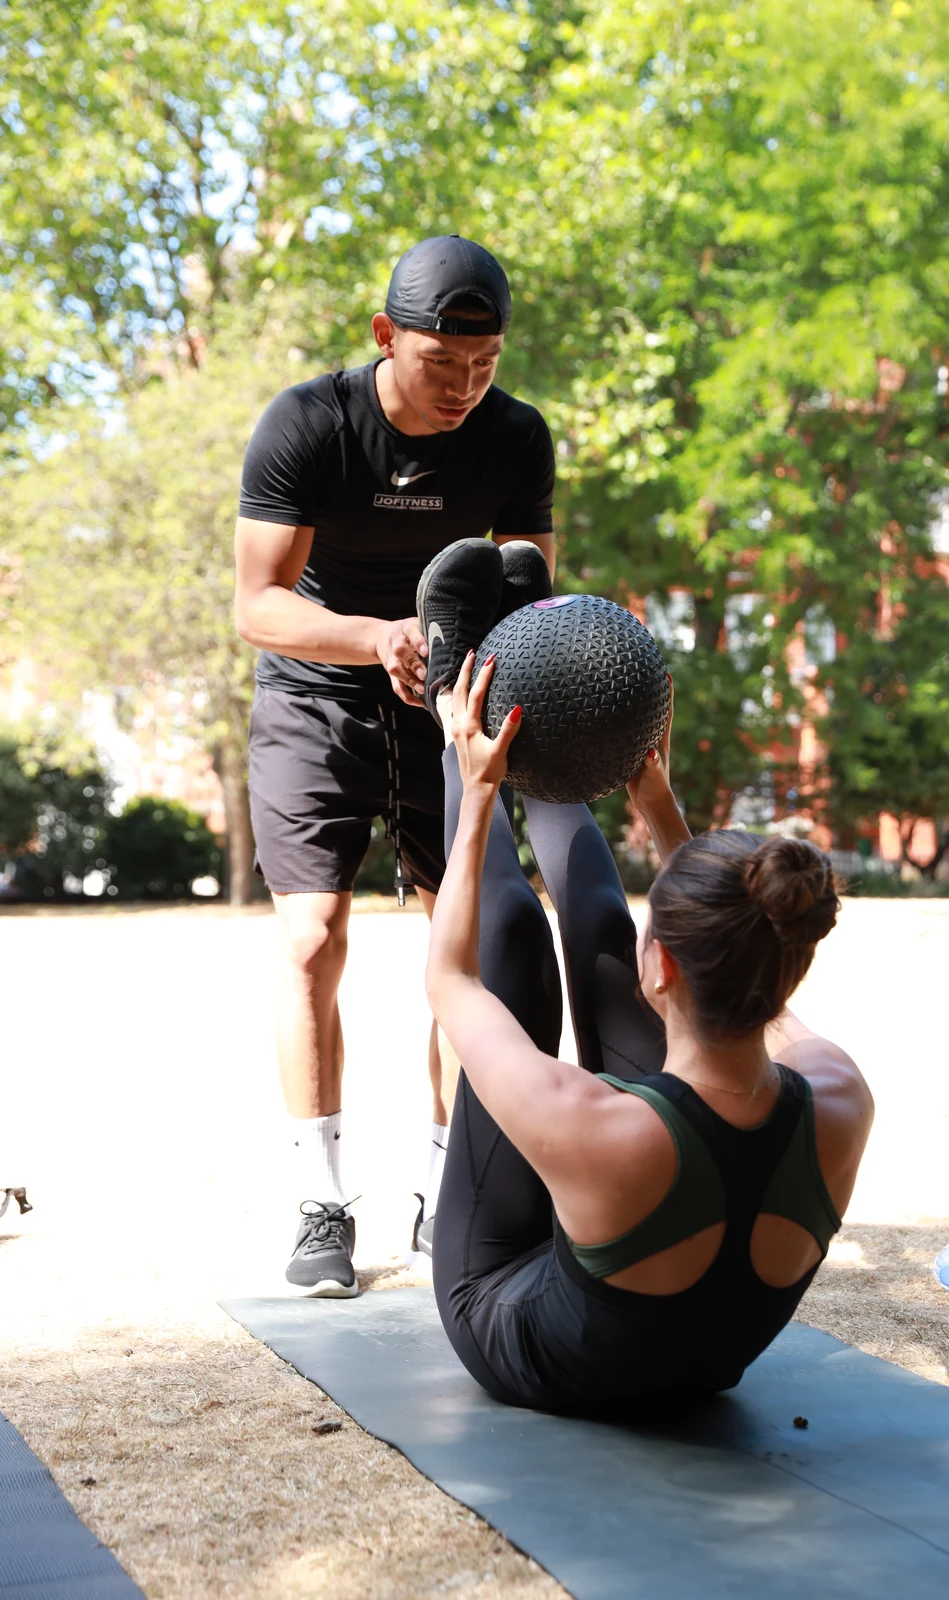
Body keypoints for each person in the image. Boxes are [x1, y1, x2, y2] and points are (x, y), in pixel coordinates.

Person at [423, 651, 875, 1415]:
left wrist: (474, 791)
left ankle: (458, 684)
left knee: (514, 951)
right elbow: (741, 940)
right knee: (600, 933)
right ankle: (543, 672)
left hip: (518, 1324)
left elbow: (452, 980)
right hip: (696, 1359)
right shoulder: (840, 1097)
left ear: (661, 965)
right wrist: (658, 807)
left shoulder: (591, 1120)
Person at [233, 235, 555, 1294]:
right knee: (312, 936)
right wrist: (376, 635)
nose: (465, 386)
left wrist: (480, 673)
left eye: (485, 363)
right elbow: (258, 605)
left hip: (446, 689)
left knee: (461, 938)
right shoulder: (307, 424)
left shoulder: (515, 437)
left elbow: (530, 592)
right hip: (318, 681)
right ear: (384, 337)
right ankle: (320, 1202)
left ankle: (448, 1188)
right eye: (439, 363)